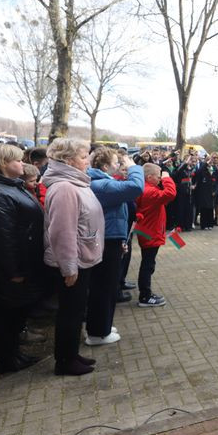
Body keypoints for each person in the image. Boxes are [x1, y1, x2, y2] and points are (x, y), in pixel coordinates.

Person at [0, 144, 47, 373]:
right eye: (17, 160)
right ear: (4, 163)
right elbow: (3, 237)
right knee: (8, 315)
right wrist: (14, 270)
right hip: (8, 269)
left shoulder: (10, 186)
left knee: (16, 314)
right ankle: (6, 360)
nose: (22, 164)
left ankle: (14, 353)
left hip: (23, 261)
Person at [41, 138, 105, 376]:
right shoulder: (65, 188)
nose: (87, 160)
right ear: (68, 160)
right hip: (73, 261)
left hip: (82, 257)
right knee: (70, 312)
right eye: (83, 156)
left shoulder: (75, 182)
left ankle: (71, 354)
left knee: (76, 310)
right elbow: (62, 231)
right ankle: (65, 361)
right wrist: (69, 267)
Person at [85, 147, 144, 345]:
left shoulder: (102, 182)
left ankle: (102, 325)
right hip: (106, 240)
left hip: (110, 238)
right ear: (104, 166)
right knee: (103, 287)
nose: (119, 165)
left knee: (107, 286)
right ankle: (98, 333)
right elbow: (136, 187)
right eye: (115, 162)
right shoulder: (101, 185)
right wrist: (134, 167)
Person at [133, 163, 177, 307]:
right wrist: (167, 178)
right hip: (150, 233)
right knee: (148, 265)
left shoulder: (145, 188)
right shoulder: (149, 191)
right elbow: (170, 193)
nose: (160, 179)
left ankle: (145, 293)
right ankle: (145, 296)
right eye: (158, 177)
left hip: (147, 231)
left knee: (148, 263)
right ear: (149, 177)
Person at [193, 156, 217, 230]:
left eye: (211, 161)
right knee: (204, 209)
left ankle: (210, 224)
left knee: (210, 208)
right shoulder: (202, 169)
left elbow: (217, 181)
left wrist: (215, 191)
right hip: (203, 192)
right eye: (208, 161)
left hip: (211, 192)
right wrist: (206, 164)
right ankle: (204, 225)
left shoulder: (214, 169)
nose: (210, 162)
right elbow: (198, 173)